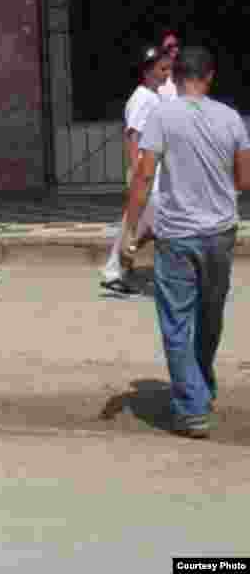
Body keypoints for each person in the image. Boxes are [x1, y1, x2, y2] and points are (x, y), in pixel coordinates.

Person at [126, 46, 250, 439]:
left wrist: (132, 230)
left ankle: (192, 406)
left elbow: (144, 177)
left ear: (174, 77)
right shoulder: (231, 118)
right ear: (209, 76)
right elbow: (244, 180)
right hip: (220, 234)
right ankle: (200, 387)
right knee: (209, 316)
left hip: (178, 235)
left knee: (178, 322)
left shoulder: (161, 116)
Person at [99, 46, 172, 295]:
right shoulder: (142, 98)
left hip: (154, 171)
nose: (167, 73)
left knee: (141, 226)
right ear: (148, 71)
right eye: (162, 69)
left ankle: (115, 271)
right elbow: (132, 135)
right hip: (146, 173)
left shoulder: (154, 96)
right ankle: (117, 271)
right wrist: (135, 171)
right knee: (153, 225)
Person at [158, 31, 180, 101]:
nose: (173, 49)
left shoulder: (183, 71)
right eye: (170, 46)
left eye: (176, 45)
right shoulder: (156, 75)